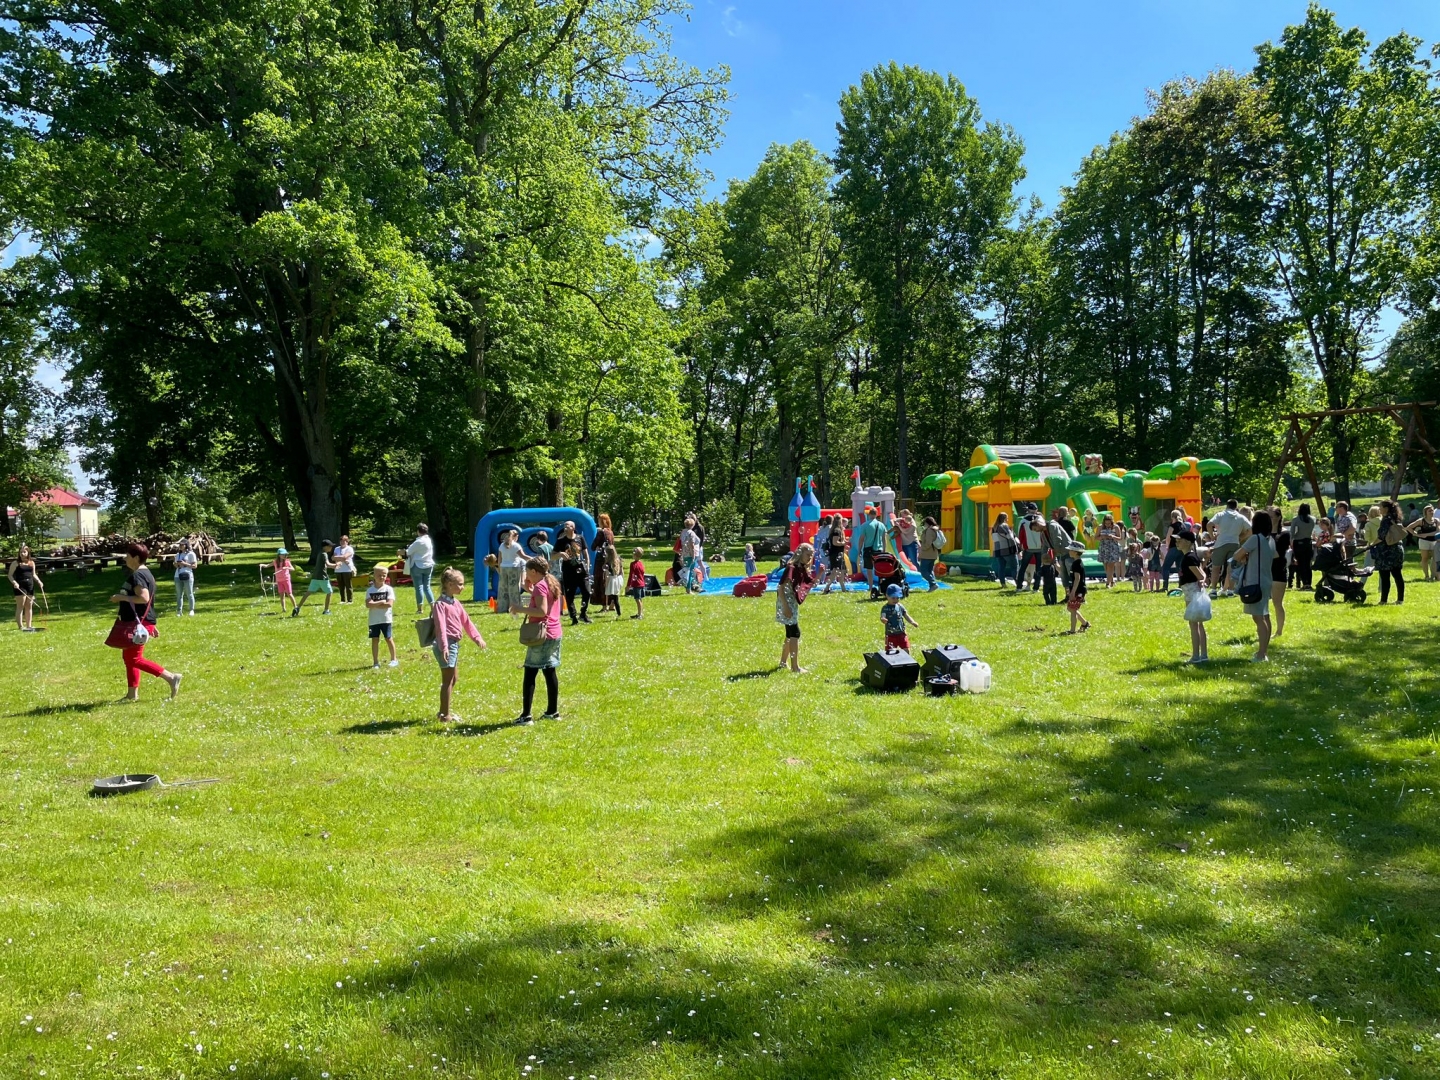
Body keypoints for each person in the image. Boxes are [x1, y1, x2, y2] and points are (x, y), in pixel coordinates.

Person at [106, 542, 182, 701]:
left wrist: (120, 597)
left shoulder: (138, 576)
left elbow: (144, 598)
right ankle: (131, 695)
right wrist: (150, 624)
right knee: (129, 659)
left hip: (137, 623)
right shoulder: (146, 573)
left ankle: (171, 677)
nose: (125, 558)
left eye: (128, 556)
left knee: (134, 659)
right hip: (141, 622)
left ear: (135, 558)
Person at [430, 566, 485, 723]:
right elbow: (440, 627)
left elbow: (466, 621)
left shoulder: (455, 603)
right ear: (449, 584)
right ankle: (445, 716)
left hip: (453, 644)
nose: (463, 587)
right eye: (460, 584)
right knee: (447, 680)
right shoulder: (440, 604)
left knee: (453, 678)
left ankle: (443, 711)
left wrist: (477, 638)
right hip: (446, 645)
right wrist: (444, 647)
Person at [518, 556, 563, 723]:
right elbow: (546, 602)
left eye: (527, 571)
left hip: (542, 634)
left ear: (533, 571)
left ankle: (526, 716)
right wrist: (530, 590)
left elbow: (542, 611)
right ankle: (552, 712)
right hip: (555, 632)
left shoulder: (540, 586)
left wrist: (519, 609)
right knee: (549, 671)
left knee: (530, 672)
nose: (526, 574)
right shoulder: (551, 582)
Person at [1233, 510, 1276, 662]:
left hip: (1255, 582)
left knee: (1258, 618)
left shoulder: (1255, 538)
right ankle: (1264, 651)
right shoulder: (1270, 540)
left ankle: (1261, 654)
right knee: (1265, 616)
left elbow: (1236, 555)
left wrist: (1245, 556)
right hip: (1266, 580)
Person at [775, 542, 814, 672]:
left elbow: (809, 583)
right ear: (800, 553)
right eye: (808, 554)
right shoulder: (791, 568)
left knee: (790, 633)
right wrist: (785, 607)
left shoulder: (800, 568)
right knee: (795, 633)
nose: (810, 557)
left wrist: (819, 573)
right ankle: (795, 667)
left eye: (811, 555)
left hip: (791, 603)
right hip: (786, 602)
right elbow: (780, 588)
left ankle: (782, 662)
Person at [1175, 530, 1210, 663]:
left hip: (1192, 592)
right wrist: (1203, 579)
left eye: (1180, 540)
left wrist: (1202, 579)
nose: (1177, 542)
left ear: (1188, 542)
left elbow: (1200, 575)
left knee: (1193, 624)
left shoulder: (1189, 558)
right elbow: (1203, 574)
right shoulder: (1191, 556)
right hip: (1192, 591)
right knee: (1199, 624)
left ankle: (1196, 656)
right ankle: (1203, 655)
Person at [1373, 498, 1407, 604]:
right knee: (1397, 575)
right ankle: (1400, 599)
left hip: (1386, 552)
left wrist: (1371, 545)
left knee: (1385, 576)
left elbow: (1381, 536)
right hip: (1397, 549)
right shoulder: (1396, 519)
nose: (1379, 509)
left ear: (1386, 508)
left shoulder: (1386, 520)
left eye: (1381, 507)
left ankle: (1383, 600)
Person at [365, 564, 398, 669]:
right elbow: (368, 604)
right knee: (375, 640)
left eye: (384, 575)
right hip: (374, 620)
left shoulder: (388, 589)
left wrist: (375, 604)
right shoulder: (370, 591)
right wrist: (381, 602)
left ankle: (394, 659)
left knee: (388, 638)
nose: (382, 577)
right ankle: (375, 662)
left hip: (386, 619)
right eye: (379, 575)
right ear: (374, 576)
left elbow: (389, 604)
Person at [291, 540, 336, 616]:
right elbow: (328, 564)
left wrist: (334, 566)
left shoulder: (320, 553)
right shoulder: (324, 554)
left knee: (308, 593)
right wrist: (336, 565)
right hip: (322, 577)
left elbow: (324, 565)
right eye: (330, 546)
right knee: (329, 592)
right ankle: (326, 611)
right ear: (325, 547)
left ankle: (297, 607)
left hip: (315, 577)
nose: (331, 547)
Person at [560, 528, 592, 624]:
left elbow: (585, 552)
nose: (566, 528)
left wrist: (587, 564)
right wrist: (560, 554)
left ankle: (583, 614)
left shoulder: (580, 538)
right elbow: (553, 555)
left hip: (581, 569)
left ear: (573, 528)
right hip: (568, 571)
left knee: (587, 592)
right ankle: (573, 617)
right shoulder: (561, 540)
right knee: (570, 595)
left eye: (568, 526)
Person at [856, 506, 888, 596]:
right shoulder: (881, 525)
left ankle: (870, 587)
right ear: (876, 514)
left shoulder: (865, 525)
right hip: (879, 550)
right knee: (880, 570)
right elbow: (884, 539)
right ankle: (880, 586)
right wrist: (884, 550)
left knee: (869, 570)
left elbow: (861, 539)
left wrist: (859, 549)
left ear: (869, 514)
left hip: (868, 550)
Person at [8, 544, 40, 631]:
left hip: (30, 585)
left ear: (28, 553)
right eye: (21, 552)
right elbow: (10, 575)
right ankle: (21, 626)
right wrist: (14, 583)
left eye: (24, 552)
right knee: (20, 606)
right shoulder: (15, 563)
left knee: (29, 606)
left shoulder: (31, 563)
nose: (22, 553)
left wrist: (39, 581)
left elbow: (34, 574)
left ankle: (29, 626)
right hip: (20, 586)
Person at [879, 583, 919, 651]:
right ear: (887, 596)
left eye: (897, 598)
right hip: (890, 634)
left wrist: (912, 622)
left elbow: (906, 615)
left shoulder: (900, 606)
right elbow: (883, 616)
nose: (895, 600)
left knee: (906, 649)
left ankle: (907, 658)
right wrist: (883, 619)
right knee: (890, 651)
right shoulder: (885, 608)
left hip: (902, 633)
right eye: (893, 598)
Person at [407, 524, 435, 612]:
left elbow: (408, 552)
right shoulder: (428, 540)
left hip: (418, 565)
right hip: (428, 565)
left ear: (418, 531)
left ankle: (420, 609)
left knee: (419, 587)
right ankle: (433, 607)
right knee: (427, 587)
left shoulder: (418, 541)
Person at [496, 528, 525, 615]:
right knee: (514, 589)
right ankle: (515, 608)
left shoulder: (502, 545)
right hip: (514, 568)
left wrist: (500, 569)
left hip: (503, 568)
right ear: (516, 536)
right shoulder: (516, 546)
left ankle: (502, 608)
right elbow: (523, 556)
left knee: (503, 589)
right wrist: (532, 559)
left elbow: (499, 559)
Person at [1407, 504, 1438, 582]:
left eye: (1432, 510)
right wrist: (1416, 534)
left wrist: (1426, 534)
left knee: (1435, 559)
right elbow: (1409, 527)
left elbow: (1437, 531)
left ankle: (1433, 575)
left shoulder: (1436, 520)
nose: (1431, 512)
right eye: (1429, 511)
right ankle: (1426, 576)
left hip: (1434, 541)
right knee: (1425, 558)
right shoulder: (1421, 521)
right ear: (1425, 512)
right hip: (1424, 542)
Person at [1064, 540, 1090, 633]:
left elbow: (1077, 578)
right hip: (1077, 589)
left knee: (1073, 609)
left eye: (1070, 550)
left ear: (1075, 552)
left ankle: (1072, 630)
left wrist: (1073, 592)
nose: (1069, 551)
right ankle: (1084, 623)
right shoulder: (1076, 562)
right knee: (1070, 608)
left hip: (1078, 590)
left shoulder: (1077, 564)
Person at [1270, 518, 1290, 637]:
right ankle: (1264, 630)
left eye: (1271, 516)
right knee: (1262, 604)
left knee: (1277, 603)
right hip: (1264, 570)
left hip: (1278, 571)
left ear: (1278, 517)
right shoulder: (1264, 533)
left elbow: (1278, 554)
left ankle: (1279, 631)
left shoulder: (1284, 534)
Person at [1289, 504, 1316, 590]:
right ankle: (1309, 583)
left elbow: (1292, 532)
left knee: (1301, 563)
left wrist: (1291, 541)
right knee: (1308, 564)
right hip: (1308, 542)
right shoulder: (1313, 519)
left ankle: (1304, 583)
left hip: (1298, 542)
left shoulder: (1296, 519)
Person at [1017, 511, 1045, 591]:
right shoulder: (1041, 521)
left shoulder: (1023, 522)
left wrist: (1021, 545)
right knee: (1038, 568)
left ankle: (1019, 587)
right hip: (1039, 548)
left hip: (1028, 548)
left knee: (1023, 567)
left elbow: (1021, 534)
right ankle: (1036, 588)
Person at [990, 511, 1018, 588]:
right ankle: (1018, 583)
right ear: (1005, 518)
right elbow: (1010, 537)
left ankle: (1003, 584)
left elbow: (994, 539)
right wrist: (1016, 548)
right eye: (1007, 518)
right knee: (1014, 567)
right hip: (1007, 549)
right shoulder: (1004, 526)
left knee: (1001, 568)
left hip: (998, 550)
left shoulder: (994, 528)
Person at [1097, 512, 1124, 588]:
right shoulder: (1100, 527)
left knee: (1110, 565)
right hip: (1103, 547)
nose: (1107, 525)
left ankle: (1107, 583)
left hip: (1113, 548)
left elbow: (1120, 538)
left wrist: (1112, 536)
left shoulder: (1116, 527)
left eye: (1109, 523)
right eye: (1106, 523)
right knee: (1106, 566)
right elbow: (1096, 537)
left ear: (1112, 522)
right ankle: (1111, 581)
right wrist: (1102, 537)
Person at [918, 515, 944, 592]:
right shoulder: (935, 529)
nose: (924, 524)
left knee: (923, 571)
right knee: (929, 571)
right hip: (933, 554)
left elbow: (928, 543)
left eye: (925, 523)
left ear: (928, 523)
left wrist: (922, 548)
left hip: (927, 554)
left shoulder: (929, 530)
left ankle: (933, 584)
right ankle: (932, 586)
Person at [823, 522, 850, 593]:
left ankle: (843, 588)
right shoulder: (837, 531)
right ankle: (826, 588)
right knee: (835, 571)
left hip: (837, 554)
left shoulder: (834, 530)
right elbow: (835, 542)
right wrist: (843, 543)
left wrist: (845, 543)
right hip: (836, 554)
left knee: (841, 571)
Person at [173, 539, 198, 616]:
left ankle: (191, 610)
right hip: (178, 575)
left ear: (186, 545)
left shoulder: (191, 554)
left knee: (189, 593)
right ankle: (179, 611)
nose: (180, 546)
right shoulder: (178, 554)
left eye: (182, 545)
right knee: (179, 594)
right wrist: (176, 564)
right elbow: (176, 565)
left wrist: (185, 563)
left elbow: (195, 566)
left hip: (188, 575)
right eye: (180, 545)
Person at [678, 516, 701, 593]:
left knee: (687, 571)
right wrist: (693, 555)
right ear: (692, 525)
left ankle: (688, 587)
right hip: (691, 554)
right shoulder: (691, 533)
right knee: (690, 572)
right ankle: (689, 589)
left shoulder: (683, 532)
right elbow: (692, 545)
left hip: (685, 554)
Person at [602, 541, 624, 617]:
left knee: (610, 596)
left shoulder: (608, 563)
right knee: (615, 598)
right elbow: (622, 571)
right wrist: (621, 580)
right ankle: (618, 611)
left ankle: (609, 608)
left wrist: (606, 583)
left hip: (611, 580)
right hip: (617, 579)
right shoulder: (618, 560)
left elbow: (607, 575)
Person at [333, 535, 356, 604]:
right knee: (341, 586)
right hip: (338, 569)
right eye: (341, 541)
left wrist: (339, 558)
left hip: (347, 569)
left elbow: (345, 556)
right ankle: (342, 600)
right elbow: (333, 558)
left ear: (347, 542)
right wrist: (342, 559)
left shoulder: (349, 548)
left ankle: (350, 600)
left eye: (344, 541)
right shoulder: (336, 548)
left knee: (348, 585)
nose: (342, 542)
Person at [273, 548, 296, 613]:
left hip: (286, 580)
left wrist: (287, 567)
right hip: (279, 581)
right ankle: (283, 608)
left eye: (285, 554)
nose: (284, 556)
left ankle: (295, 607)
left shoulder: (287, 561)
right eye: (282, 554)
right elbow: (267, 565)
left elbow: (293, 569)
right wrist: (263, 565)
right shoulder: (275, 562)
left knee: (289, 594)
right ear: (279, 555)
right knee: (281, 595)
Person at [627, 547, 647, 618]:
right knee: (640, 599)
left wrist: (628, 585)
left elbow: (631, 575)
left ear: (635, 555)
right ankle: (640, 613)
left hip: (637, 584)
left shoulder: (633, 564)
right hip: (642, 584)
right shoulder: (641, 563)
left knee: (637, 599)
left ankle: (639, 615)